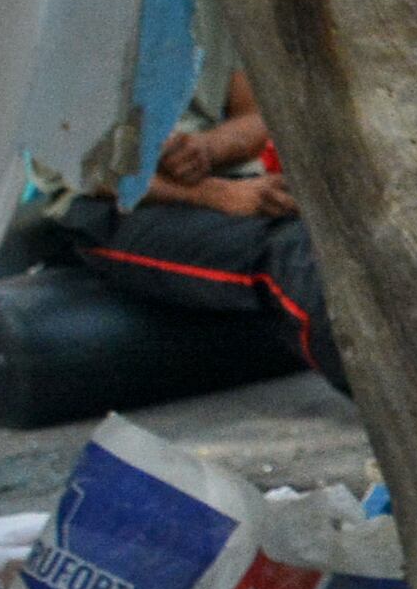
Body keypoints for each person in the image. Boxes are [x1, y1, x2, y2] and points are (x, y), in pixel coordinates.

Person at [56, 67, 344, 383]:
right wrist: (212, 194)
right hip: (115, 200)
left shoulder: (217, 16)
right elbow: (81, 164)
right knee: (287, 251)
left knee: (349, 233)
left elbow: (254, 114)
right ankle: (393, 407)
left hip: (228, 178)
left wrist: (206, 149)